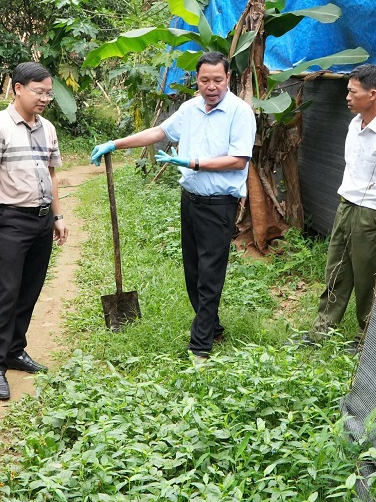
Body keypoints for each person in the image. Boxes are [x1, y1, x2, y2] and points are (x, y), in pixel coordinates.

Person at [89, 52, 257, 359]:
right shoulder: (189, 108)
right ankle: (214, 328)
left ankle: (201, 346)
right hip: (190, 200)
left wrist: (194, 162)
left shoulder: (240, 113)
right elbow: (159, 133)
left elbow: (238, 159)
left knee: (210, 274)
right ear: (197, 79)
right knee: (192, 272)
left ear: (228, 79)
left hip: (220, 203)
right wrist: (116, 143)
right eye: (205, 80)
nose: (211, 87)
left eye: (218, 80)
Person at [0, 62, 68, 401]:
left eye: (48, 93)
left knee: (30, 290)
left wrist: (58, 215)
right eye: (39, 92)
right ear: (18, 88)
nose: (45, 99)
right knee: (6, 293)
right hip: (10, 221)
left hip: (40, 222)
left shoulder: (48, 128)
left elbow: (51, 175)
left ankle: (15, 349)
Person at [303, 64, 376, 344]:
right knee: (335, 269)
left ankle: (367, 338)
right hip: (346, 204)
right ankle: (322, 329)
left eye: (352, 91)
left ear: (372, 94)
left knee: (367, 277)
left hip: (371, 213)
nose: (347, 96)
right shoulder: (353, 123)